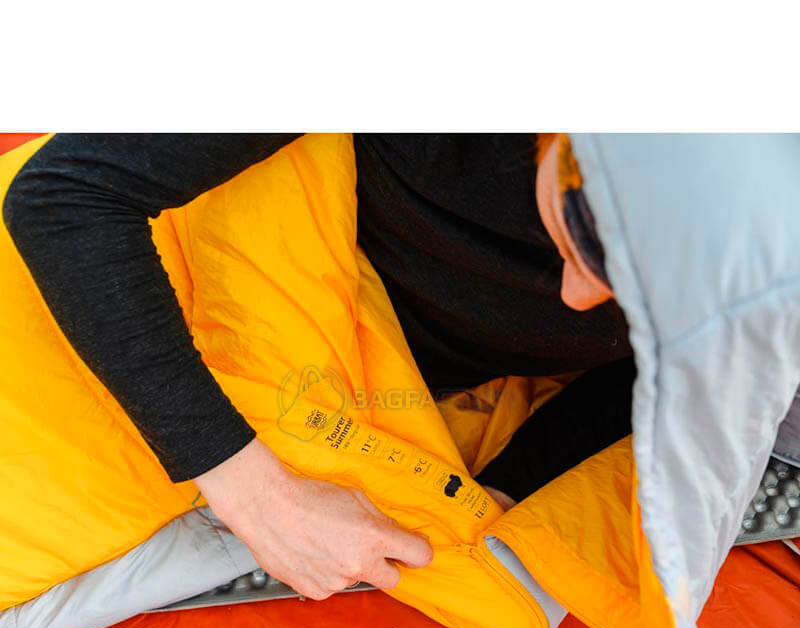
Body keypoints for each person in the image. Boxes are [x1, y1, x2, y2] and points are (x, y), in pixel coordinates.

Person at [2, 134, 635, 601]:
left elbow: (647, 380)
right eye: (584, 229)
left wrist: (499, 494)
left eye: (645, 293)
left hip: (372, 414)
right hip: (150, 292)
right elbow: (63, 199)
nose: (577, 297)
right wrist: (261, 498)